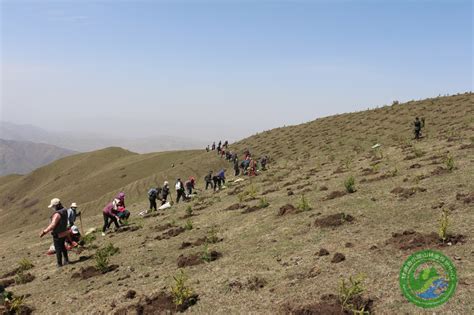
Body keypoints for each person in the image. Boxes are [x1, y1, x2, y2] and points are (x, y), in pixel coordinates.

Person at [40, 198, 69, 267]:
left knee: (58, 249)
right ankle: (66, 260)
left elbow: (53, 225)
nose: (53, 208)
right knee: (63, 246)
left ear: (57, 206)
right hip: (64, 232)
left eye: (53, 206)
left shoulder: (57, 214)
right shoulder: (64, 210)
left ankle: (59, 264)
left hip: (58, 234)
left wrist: (44, 232)